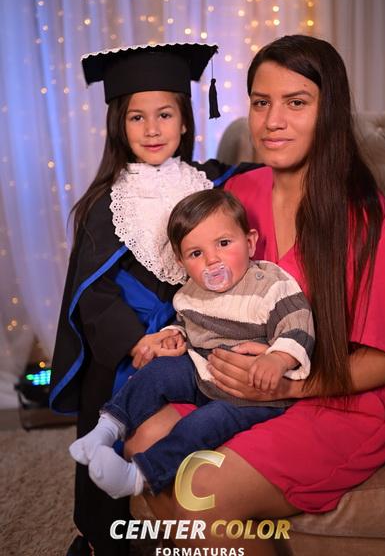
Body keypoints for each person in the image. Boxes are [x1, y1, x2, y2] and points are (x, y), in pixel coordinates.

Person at [125, 35, 385, 555]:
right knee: (142, 442)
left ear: (330, 111)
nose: (273, 121)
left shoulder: (372, 224)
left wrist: (289, 386)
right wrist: (173, 338)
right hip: (233, 391)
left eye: (296, 102)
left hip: (336, 401)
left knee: (199, 496)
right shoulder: (237, 198)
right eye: (260, 102)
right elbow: (206, 298)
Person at [48, 42, 253, 556]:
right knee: (111, 441)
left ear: (185, 119)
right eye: (137, 117)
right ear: (120, 125)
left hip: (196, 335)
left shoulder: (212, 182)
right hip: (130, 345)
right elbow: (94, 295)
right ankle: (104, 540)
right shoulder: (105, 203)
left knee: (193, 443)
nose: (153, 129)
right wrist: (137, 341)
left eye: (165, 114)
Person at [68, 188, 314, 499]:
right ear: (182, 261)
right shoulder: (191, 293)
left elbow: (298, 325)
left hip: (249, 396)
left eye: (224, 244)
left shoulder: (270, 284)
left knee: (202, 424)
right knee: (157, 372)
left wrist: (277, 359)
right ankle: (106, 429)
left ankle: (140, 476)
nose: (212, 260)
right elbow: (189, 324)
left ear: (250, 242)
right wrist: (176, 334)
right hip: (202, 371)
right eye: (196, 254)